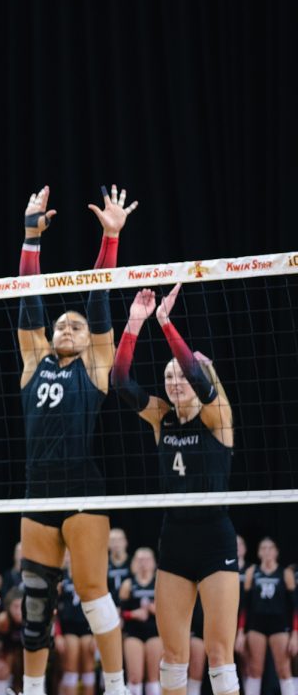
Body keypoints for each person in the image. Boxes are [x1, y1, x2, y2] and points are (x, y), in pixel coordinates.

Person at [13, 184, 137, 695]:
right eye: (62, 324)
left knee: (91, 594)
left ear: (90, 341)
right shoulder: (32, 362)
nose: (67, 326)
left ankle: (117, 686)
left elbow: (99, 300)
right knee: (36, 603)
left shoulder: (96, 367)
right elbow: (28, 301)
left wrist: (110, 239)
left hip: (83, 489)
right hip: (36, 490)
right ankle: (34, 690)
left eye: (76, 326)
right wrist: (30, 237)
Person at [111, 285, 241, 695]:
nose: (174, 381)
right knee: (173, 658)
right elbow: (120, 382)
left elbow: (202, 384)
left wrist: (166, 322)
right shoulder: (160, 418)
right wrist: (134, 324)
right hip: (175, 539)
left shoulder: (217, 416)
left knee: (220, 656)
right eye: (168, 376)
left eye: (179, 374)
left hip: (214, 536)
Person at [242, 538, 294, 695]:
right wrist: (240, 632)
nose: (267, 551)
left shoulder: (285, 573)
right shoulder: (252, 572)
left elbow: (295, 606)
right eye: (263, 548)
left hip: (279, 626)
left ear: (276, 552)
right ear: (258, 552)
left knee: (284, 670)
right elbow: (244, 606)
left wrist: (295, 634)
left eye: (271, 548)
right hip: (256, 626)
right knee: (254, 670)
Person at [119, 548, 163, 695]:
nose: (143, 563)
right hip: (134, 633)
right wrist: (133, 614)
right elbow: (119, 614)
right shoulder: (128, 584)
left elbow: (170, 612)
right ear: (134, 563)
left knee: (153, 678)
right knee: (135, 677)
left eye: (147, 559)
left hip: (154, 633)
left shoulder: (159, 583)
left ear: (154, 562)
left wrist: (155, 610)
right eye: (140, 559)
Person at [57, 552, 97, 695]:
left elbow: (99, 607)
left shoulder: (90, 576)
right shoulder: (60, 578)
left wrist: (97, 636)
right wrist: (57, 635)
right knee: (70, 668)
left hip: (88, 628)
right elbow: (53, 609)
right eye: (67, 554)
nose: (72, 558)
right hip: (68, 628)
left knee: (88, 669)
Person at [109, 529, 133, 597]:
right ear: (107, 543)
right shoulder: (103, 564)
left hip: (128, 604)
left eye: (119, 540)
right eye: (113, 540)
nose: (116, 543)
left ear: (126, 542)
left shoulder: (133, 562)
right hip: (108, 603)